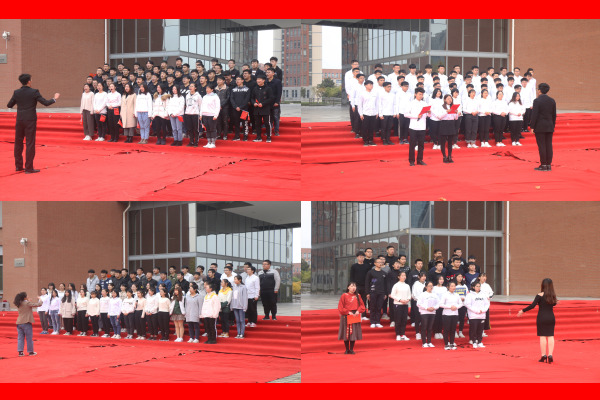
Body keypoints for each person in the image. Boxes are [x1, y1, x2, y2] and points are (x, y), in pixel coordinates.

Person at [6, 73, 59, 173]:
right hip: (30, 120)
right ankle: (29, 167)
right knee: (30, 143)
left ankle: (18, 166)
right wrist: (54, 98)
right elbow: (46, 103)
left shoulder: (16, 92)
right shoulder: (34, 92)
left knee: (18, 143)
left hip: (20, 119)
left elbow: (9, 105)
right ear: (29, 81)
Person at [517, 278, 558, 363]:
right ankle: (550, 355)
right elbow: (554, 303)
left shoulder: (539, 295)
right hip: (551, 317)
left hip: (542, 317)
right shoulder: (553, 295)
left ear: (543, 285)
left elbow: (532, 306)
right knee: (550, 336)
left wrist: (522, 311)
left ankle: (543, 355)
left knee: (542, 336)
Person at [530, 83, 557, 171]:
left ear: (539, 91)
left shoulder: (537, 101)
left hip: (540, 126)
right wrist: (552, 125)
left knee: (542, 146)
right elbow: (554, 115)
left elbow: (534, 115)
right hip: (549, 126)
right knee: (549, 145)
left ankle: (543, 165)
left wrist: (532, 126)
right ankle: (548, 165)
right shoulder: (552, 101)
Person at [338, 282, 366, 355]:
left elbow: (362, 305)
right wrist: (347, 312)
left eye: (354, 286)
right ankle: (347, 349)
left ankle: (351, 349)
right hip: (346, 315)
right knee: (346, 332)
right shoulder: (344, 295)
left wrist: (358, 311)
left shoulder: (358, 295)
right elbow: (340, 307)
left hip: (354, 315)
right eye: (351, 286)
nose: (353, 288)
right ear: (348, 287)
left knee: (353, 332)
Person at [14, 292, 43, 356]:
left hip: (19, 322)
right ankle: (30, 352)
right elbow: (39, 304)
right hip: (26, 322)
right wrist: (40, 299)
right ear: (24, 297)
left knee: (20, 338)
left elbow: (27, 305)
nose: (28, 296)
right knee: (29, 338)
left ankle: (20, 352)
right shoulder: (27, 303)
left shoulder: (19, 303)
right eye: (27, 296)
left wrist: (28, 301)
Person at [433, 94, 458, 163]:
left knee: (450, 142)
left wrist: (456, 113)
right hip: (444, 124)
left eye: (450, 99)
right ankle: (444, 156)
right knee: (443, 142)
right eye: (448, 99)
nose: (450, 100)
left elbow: (456, 118)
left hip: (451, 124)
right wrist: (446, 112)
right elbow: (439, 117)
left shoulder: (453, 107)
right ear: (444, 100)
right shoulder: (441, 107)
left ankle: (449, 156)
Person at [407, 87, 430, 166]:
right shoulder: (411, 103)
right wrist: (416, 116)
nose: (421, 96)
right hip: (413, 126)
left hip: (422, 126)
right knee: (412, 144)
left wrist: (429, 112)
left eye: (422, 94)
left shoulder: (424, 103)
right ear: (415, 94)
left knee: (421, 145)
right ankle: (411, 161)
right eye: (419, 94)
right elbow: (406, 114)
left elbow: (428, 115)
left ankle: (420, 160)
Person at [465, 281, 490, 348]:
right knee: (474, 329)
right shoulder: (469, 295)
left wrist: (483, 310)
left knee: (480, 330)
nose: (478, 288)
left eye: (479, 286)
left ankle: (479, 342)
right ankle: (474, 342)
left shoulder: (483, 294)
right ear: (473, 287)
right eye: (477, 286)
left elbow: (487, 304)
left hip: (482, 315)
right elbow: (468, 305)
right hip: (473, 315)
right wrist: (476, 311)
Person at [440, 281, 463, 350]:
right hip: (447, 314)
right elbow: (441, 304)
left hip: (455, 314)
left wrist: (456, 307)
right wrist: (450, 307)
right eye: (452, 286)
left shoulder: (457, 295)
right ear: (448, 287)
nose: (453, 287)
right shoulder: (445, 295)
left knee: (453, 330)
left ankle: (452, 343)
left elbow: (461, 304)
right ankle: (446, 344)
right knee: (446, 329)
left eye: (454, 286)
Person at [365, 257, 387, 328]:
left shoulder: (384, 273)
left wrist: (385, 293)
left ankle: (377, 321)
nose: (380, 263)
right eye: (378, 262)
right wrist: (367, 293)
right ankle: (372, 322)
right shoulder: (370, 272)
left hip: (381, 293)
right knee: (372, 307)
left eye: (381, 262)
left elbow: (385, 284)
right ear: (375, 263)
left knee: (379, 307)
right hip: (373, 292)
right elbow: (367, 283)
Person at [390, 271, 411, 341]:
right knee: (398, 320)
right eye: (402, 275)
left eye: (405, 275)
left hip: (405, 304)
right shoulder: (396, 285)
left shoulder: (407, 285)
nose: (404, 277)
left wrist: (407, 299)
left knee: (404, 320)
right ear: (399, 277)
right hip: (398, 304)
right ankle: (398, 334)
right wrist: (400, 300)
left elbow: (409, 295)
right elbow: (392, 295)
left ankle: (403, 334)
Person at [417, 281, 439, 348]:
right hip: (424, 312)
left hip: (432, 312)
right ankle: (424, 342)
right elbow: (418, 304)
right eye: (429, 286)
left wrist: (434, 308)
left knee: (430, 328)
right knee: (424, 327)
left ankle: (429, 342)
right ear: (426, 287)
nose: (431, 287)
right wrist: (426, 308)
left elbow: (438, 303)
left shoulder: (435, 295)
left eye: (432, 286)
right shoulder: (422, 294)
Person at [350, 251, 370, 320]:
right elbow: (351, 276)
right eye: (360, 257)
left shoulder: (367, 266)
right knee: (356, 301)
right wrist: (352, 286)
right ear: (357, 258)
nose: (361, 258)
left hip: (365, 286)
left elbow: (368, 277)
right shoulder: (354, 266)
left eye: (363, 257)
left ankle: (364, 315)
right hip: (356, 286)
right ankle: (357, 315)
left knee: (364, 301)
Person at [201, 84, 221, 148]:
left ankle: (213, 143)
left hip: (212, 115)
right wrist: (201, 114)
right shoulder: (204, 97)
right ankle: (209, 142)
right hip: (205, 114)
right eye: (206, 88)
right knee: (207, 129)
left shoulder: (215, 97)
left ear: (212, 90)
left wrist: (216, 115)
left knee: (212, 129)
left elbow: (217, 106)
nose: (207, 89)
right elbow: (202, 106)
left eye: (208, 88)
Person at [455, 273, 469, 338]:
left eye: (461, 277)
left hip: (463, 305)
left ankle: (460, 332)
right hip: (456, 305)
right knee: (455, 319)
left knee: (462, 319)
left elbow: (468, 294)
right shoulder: (454, 285)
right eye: (459, 276)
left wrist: (464, 298)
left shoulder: (464, 286)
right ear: (456, 277)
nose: (460, 278)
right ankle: (454, 332)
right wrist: (458, 299)